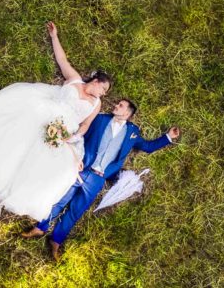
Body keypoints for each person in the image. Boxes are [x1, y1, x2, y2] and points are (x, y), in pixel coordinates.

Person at [0, 21, 111, 220]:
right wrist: (54, 36)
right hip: (46, 110)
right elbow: (62, 60)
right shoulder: (74, 80)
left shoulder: (95, 104)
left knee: (48, 161)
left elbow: (85, 126)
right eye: (104, 89)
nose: (103, 94)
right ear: (96, 81)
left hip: (64, 129)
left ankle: (12, 189)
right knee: (21, 133)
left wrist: (69, 137)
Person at [22, 99, 181, 261]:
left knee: (75, 211)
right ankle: (40, 227)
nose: (115, 106)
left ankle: (56, 240)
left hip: (98, 179)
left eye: (120, 106)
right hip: (82, 169)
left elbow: (147, 147)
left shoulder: (133, 132)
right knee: (60, 199)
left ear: (127, 113)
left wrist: (168, 136)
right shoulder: (100, 119)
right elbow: (81, 135)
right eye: (117, 104)